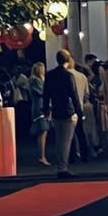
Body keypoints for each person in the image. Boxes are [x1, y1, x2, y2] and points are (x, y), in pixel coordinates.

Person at [43, 50, 84, 179]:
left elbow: (46, 94)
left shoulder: (50, 75)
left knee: (59, 140)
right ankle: (63, 167)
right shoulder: (68, 75)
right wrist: (79, 111)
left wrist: (46, 110)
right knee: (66, 141)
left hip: (56, 110)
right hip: (68, 111)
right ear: (68, 60)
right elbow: (74, 95)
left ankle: (60, 165)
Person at [28, 62, 51, 166]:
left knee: (42, 132)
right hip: (40, 107)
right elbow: (43, 93)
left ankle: (42, 155)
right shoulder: (36, 81)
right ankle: (42, 156)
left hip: (38, 106)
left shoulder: (33, 80)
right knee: (43, 131)